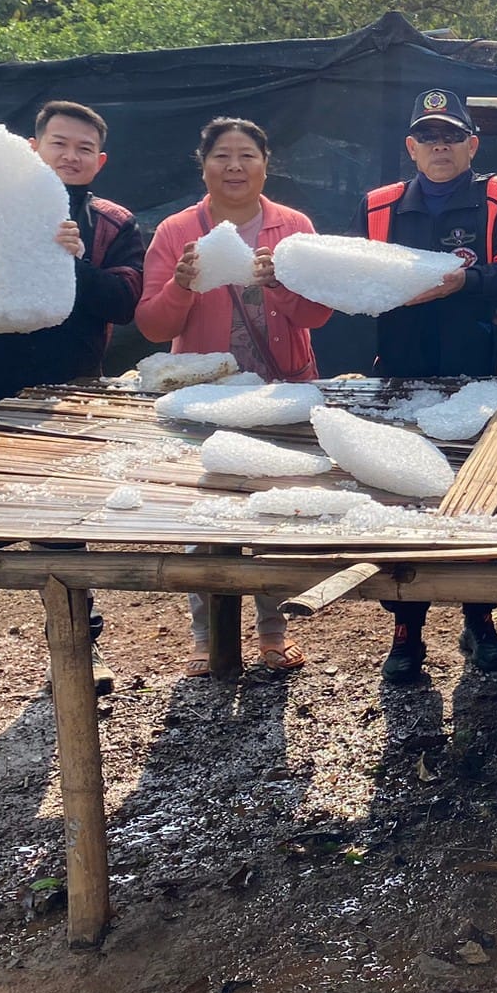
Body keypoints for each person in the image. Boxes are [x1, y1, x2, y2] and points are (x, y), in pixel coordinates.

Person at [0, 100, 144, 714]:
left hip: (67, 397)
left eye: (84, 148)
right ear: (31, 148)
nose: (71, 156)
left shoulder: (112, 222)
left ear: (100, 160)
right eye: (59, 144)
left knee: (65, 533)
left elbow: (125, 300)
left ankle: (75, 651)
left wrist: (75, 262)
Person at [136, 117, 333, 678]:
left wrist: (280, 284)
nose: (234, 166)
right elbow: (152, 326)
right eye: (222, 155)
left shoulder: (294, 227)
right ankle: (208, 635)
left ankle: (273, 630)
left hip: (282, 391)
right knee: (204, 512)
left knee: (276, 507)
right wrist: (180, 285)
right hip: (204, 399)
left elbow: (319, 313)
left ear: (266, 165)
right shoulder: (176, 230)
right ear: (203, 166)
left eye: (247, 155)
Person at [358, 88, 497, 682]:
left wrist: (463, 282)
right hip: (399, 375)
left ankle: (479, 618)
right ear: (411, 147)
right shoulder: (377, 205)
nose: (441, 147)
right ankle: (406, 630)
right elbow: (352, 279)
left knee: (478, 501)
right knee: (401, 501)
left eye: (452, 136)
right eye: (429, 137)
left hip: (479, 375)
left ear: (472, 145)